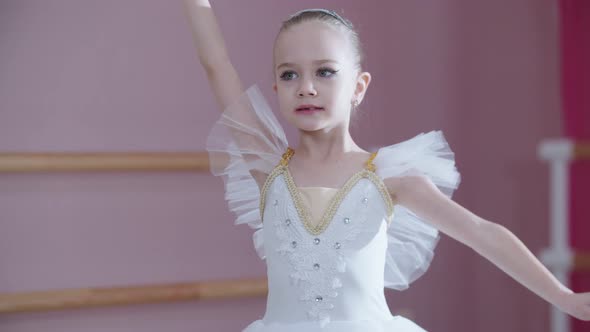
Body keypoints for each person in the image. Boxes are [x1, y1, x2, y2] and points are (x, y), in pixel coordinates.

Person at [181, 1, 590, 330]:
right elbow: (216, 62)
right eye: (289, 75)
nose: (306, 86)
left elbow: (484, 234)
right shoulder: (267, 168)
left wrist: (566, 298)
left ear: (358, 87)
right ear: (276, 87)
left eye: (325, 72)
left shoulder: (390, 180)